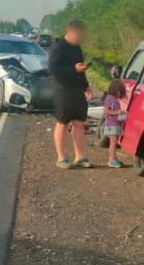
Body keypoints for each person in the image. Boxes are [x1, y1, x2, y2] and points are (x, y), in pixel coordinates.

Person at [48, 20, 93, 168]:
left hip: (76, 89)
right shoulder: (58, 47)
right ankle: (61, 158)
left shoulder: (77, 48)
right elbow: (53, 69)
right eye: (78, 36)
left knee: (79, 122)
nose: (80, 39)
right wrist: (73, 68)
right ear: (70, 32)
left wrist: (86, 86)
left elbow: (80, 68)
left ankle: (80, 157)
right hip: (62, 89)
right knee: (63, 121)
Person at [102, 78, 126, 168]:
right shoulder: (109, 99)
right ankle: (111, 160)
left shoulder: (114, 100)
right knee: (113, 143)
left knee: (114, 142)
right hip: (111, 125)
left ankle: (113, 158)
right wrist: (117, 113)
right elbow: (106, 111)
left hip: (115, 125)